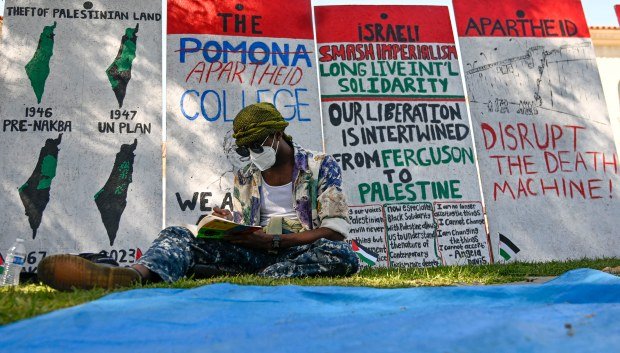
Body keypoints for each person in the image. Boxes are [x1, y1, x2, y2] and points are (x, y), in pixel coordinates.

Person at [38, 103, 359, 291]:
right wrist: (225, 223)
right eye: (245, 149)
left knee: (340, 255)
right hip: (256, 251)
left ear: (277, 136)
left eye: (257, 146)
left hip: (297, 252)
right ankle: (134, 275)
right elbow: (245, 226)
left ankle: (235, 278)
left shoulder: (319, 166)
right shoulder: (247, 175)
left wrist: (278, 242)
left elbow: (335, 229)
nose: (251, 154)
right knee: (177, 233)